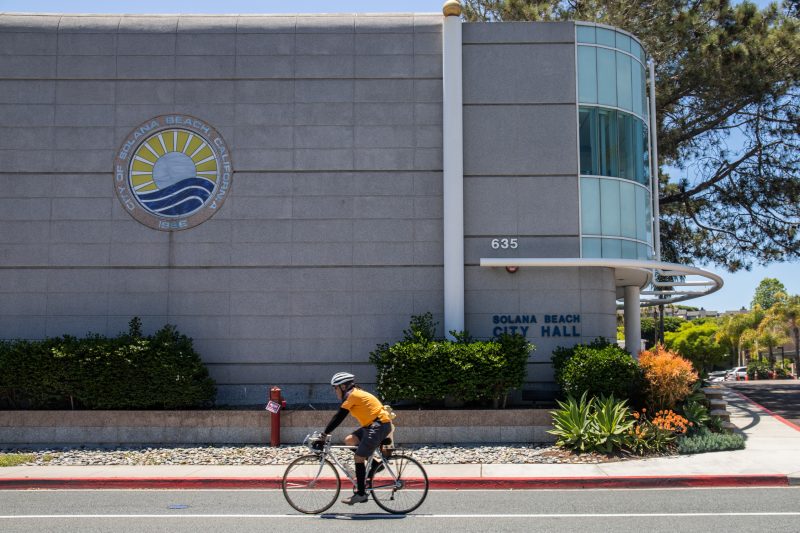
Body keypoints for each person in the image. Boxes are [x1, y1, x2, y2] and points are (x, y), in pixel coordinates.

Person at [320, 371, 392, 505]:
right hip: (372, 425)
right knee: (350, 440)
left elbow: (339, 416)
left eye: (335, 388)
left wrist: (324, 434)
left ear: (342, 386)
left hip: (378, 425)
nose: (335, 391)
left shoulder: (352, 395)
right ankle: (376, 465)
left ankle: (361, 494)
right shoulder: (355, 393)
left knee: (358, 458)